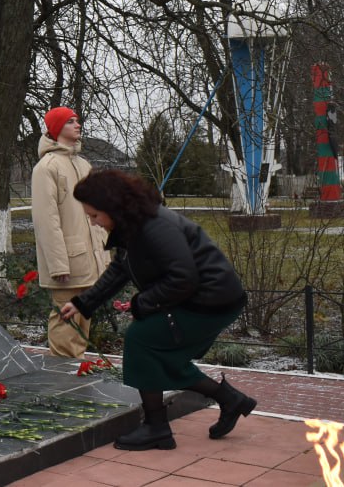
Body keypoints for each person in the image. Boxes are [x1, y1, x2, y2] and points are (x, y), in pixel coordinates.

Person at [59, 169, 255, 451]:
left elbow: (183, 278)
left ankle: (157, 428)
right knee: (161, 355)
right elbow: (121, 268)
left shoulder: (154, 226)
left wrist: (142, 304)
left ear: (113, 207)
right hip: (201, 298)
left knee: (141, 339)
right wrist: (83, 303)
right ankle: (229, 400)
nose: (93, 222)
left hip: (212, 301)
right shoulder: (133, 225)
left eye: (94, 215)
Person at [31, 107, 112, 357]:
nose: (77, 125)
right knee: (65, 321)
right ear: (56, 129)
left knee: (82, 318)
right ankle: (63, 378)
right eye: (70, 122)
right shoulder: (46, 167)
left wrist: (105, 251)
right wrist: (57, 265)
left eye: (77, 120)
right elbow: (47, 220)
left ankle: (77, 371)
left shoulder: (83, 164)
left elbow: (97, 213)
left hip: (90, 258)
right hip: (66, 262)